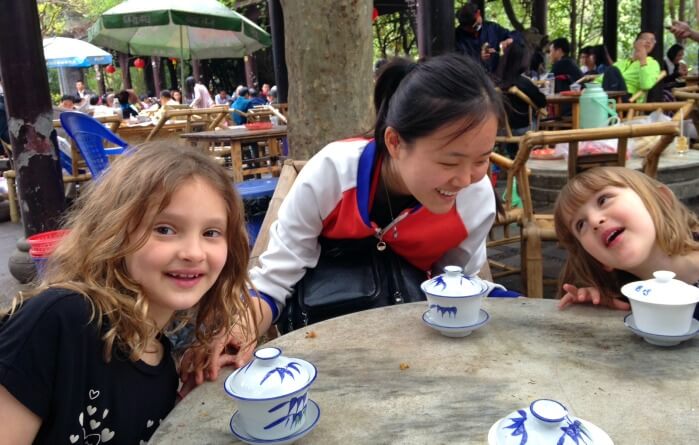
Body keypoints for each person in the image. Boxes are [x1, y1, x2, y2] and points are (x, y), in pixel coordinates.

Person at [180, 53, 506, 389]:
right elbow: (274, 282)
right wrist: (240, 327)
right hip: (318, 352)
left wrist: (547, 312)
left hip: (416, 356)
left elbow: (458, 285)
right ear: (394, 142)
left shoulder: (474, 198)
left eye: (481, 160)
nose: (467, 178)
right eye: (450, 162)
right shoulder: (332, 174)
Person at [0, 143, 258, 444]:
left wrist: (179, 406)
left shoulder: (162, 367)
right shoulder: (60, 319)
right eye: (164, 229)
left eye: (211, 233)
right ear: (114, 231)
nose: (193, 252)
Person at [553, 166, 699, 320]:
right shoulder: (632, 303)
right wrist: (602, 312)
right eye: (581, 224)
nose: (594, 221)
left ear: (662, 199)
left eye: (603, 200)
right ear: (597, 259)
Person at [495, 39, 546, 157]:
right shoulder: (524, 82)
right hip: (523, 129)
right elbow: (542, 101)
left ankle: (511, 158)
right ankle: (520, 160)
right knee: (534, 115)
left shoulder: (496, 82)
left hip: (500, 129)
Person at [454, 2, 517, 73]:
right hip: (473, 79)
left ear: (478, 13)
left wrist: (509, 40)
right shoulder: (456, 38)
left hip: (498, 77)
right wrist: (479, 58)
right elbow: (458, 64)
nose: (475, 29)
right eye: (470, 28)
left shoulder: (492, 28)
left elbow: (514, 36)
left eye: (476, 24)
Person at [606, 32, 661, 103]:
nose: (648, 41)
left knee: (612, 71)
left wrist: (643, 61)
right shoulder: (620, 63)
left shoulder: (653, 64)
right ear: (635, 43)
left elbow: (646, 85)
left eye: (652, 40)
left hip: (628, 99)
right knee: (611, 71)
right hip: (607, 96)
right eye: (645, 38)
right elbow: (600, 80)